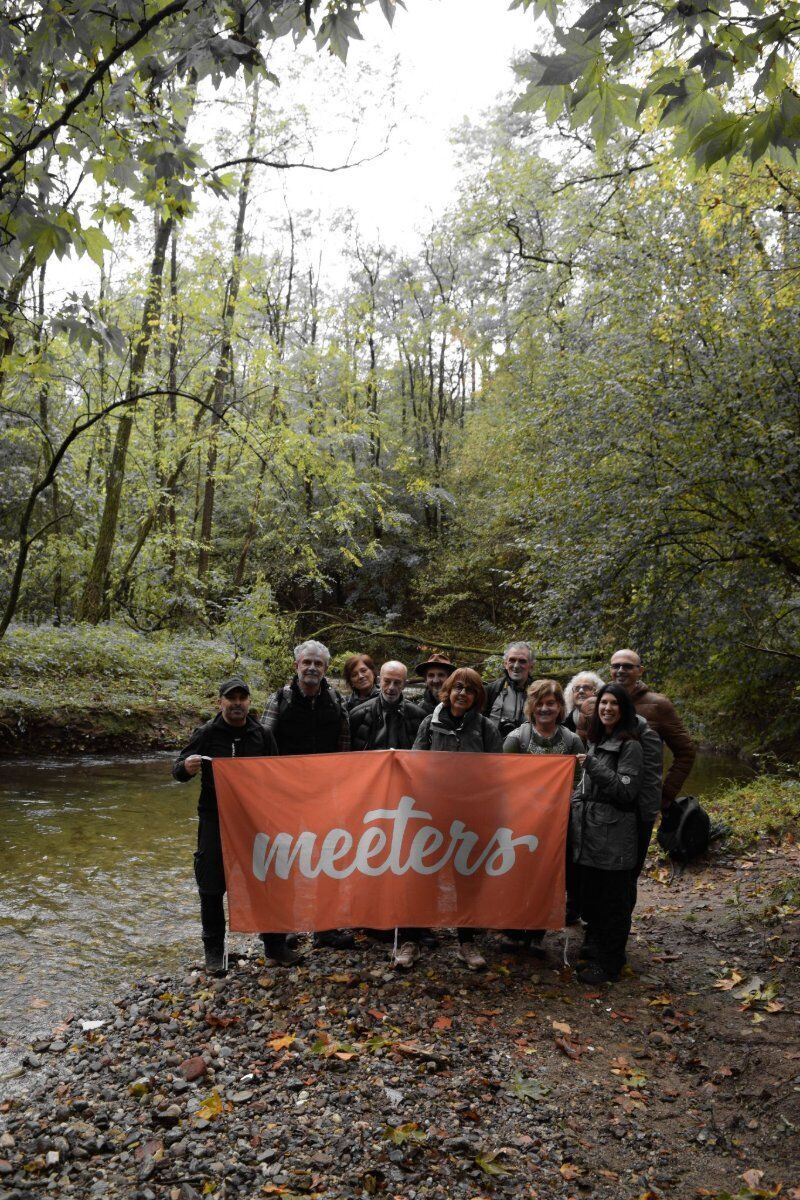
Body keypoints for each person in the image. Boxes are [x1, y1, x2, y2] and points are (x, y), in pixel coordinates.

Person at [172, 677, 299, 972]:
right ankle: (214, 953)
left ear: (249, 702)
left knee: (267, 881)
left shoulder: (262, 734)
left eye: (242, 698)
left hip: (254, 820)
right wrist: (186, 767)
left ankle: (275, 946)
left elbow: (277, 776)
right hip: (214, 819)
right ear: (221, 702)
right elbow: (177, 770)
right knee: (211, 885)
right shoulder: (206, 733)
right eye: (232, 698)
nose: (237, 703)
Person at [262, 639, 353, 950]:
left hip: (325, 794)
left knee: (327, 858)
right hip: (285, 794)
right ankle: (285, 927)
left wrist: (342, 786)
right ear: (296, 666)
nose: (312, 668)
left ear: (326, 668)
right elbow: (263, 743)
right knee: (285, 859)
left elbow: (344, 744)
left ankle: (326, 927)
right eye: (307, 662)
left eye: (318, 663)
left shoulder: (335, 700)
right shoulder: (279, 699)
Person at [412, 668, 503, 971]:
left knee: (466, 879)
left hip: (470, 816)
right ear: (448, 691)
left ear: (478, 697)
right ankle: (412, 938)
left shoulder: (486, 728)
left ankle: (466, 941)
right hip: (433, 814)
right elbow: (415, 765)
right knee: (422, 876)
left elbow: (498, 773)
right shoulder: (430, 723)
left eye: (470, 690)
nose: (463, 694)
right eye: (458, 687)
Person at [503, 679, 584, 949]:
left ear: (560, 706)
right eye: (539, 703)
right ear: (531, 706)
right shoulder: (516, 739)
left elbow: (579, 782)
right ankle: (513, 932)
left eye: (551, 703)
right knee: (519, 874)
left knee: (547, 876)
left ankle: (537, 933)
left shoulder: (572, 741)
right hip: (521, 821)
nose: (545, 708)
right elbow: (504, 780)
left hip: (557, 823)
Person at [571, 682, 643, 984]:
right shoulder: (596, 741)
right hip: (591, 834)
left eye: (614, 704)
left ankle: (610, 964)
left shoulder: (630, 746)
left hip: (615, 836)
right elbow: (586, 787)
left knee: (614, 902)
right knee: (594, 899)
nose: (607, 708)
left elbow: (626, 790)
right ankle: (597, 953)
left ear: (624, 710)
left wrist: (593, 765)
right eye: (603, 703)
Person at [349, 660, 425, 751]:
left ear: (405, 685)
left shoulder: (419, 716)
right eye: (387, 681)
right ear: (379, 681)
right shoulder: (358, 715)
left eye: (397, 682)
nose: (391, 687)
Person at [484, 641, 534, 736]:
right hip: (493, 744)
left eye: (522, 661)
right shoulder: (490, 690)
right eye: (512, 660)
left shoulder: (539, 693)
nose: (516, 666)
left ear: (531, 666)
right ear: (505, 664)